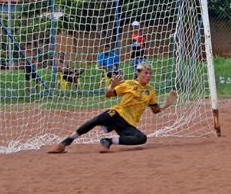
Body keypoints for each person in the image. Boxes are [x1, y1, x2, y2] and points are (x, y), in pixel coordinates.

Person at [46, 61, 176, 154]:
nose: (148, 76)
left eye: (150, 74)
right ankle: (65, 142)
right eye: (146, 73)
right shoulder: (128, 84)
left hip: (128, 124)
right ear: (138, 73)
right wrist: (112, 86)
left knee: (141, 138)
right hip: (117, 114)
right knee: (96, 120)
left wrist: (166, 105)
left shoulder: (150, 91)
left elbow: (155, 110)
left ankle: (108, 141)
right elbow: (108, 95)